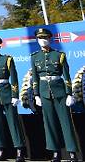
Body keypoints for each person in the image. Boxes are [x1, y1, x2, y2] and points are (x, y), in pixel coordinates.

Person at [31, 28, 81, 162]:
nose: (43, 40)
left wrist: (69, 94)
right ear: (37, 40)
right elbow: (35, 78)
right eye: (40, 38)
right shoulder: (35, 57)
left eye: (45, 38)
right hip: (44, 93)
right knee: (49, 123)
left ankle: (72, 153)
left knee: (66, 122)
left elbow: (67, 76)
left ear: (50, 39)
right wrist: (36, 95)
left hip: (60, 93)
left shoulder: (59, 55)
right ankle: (55, 153)